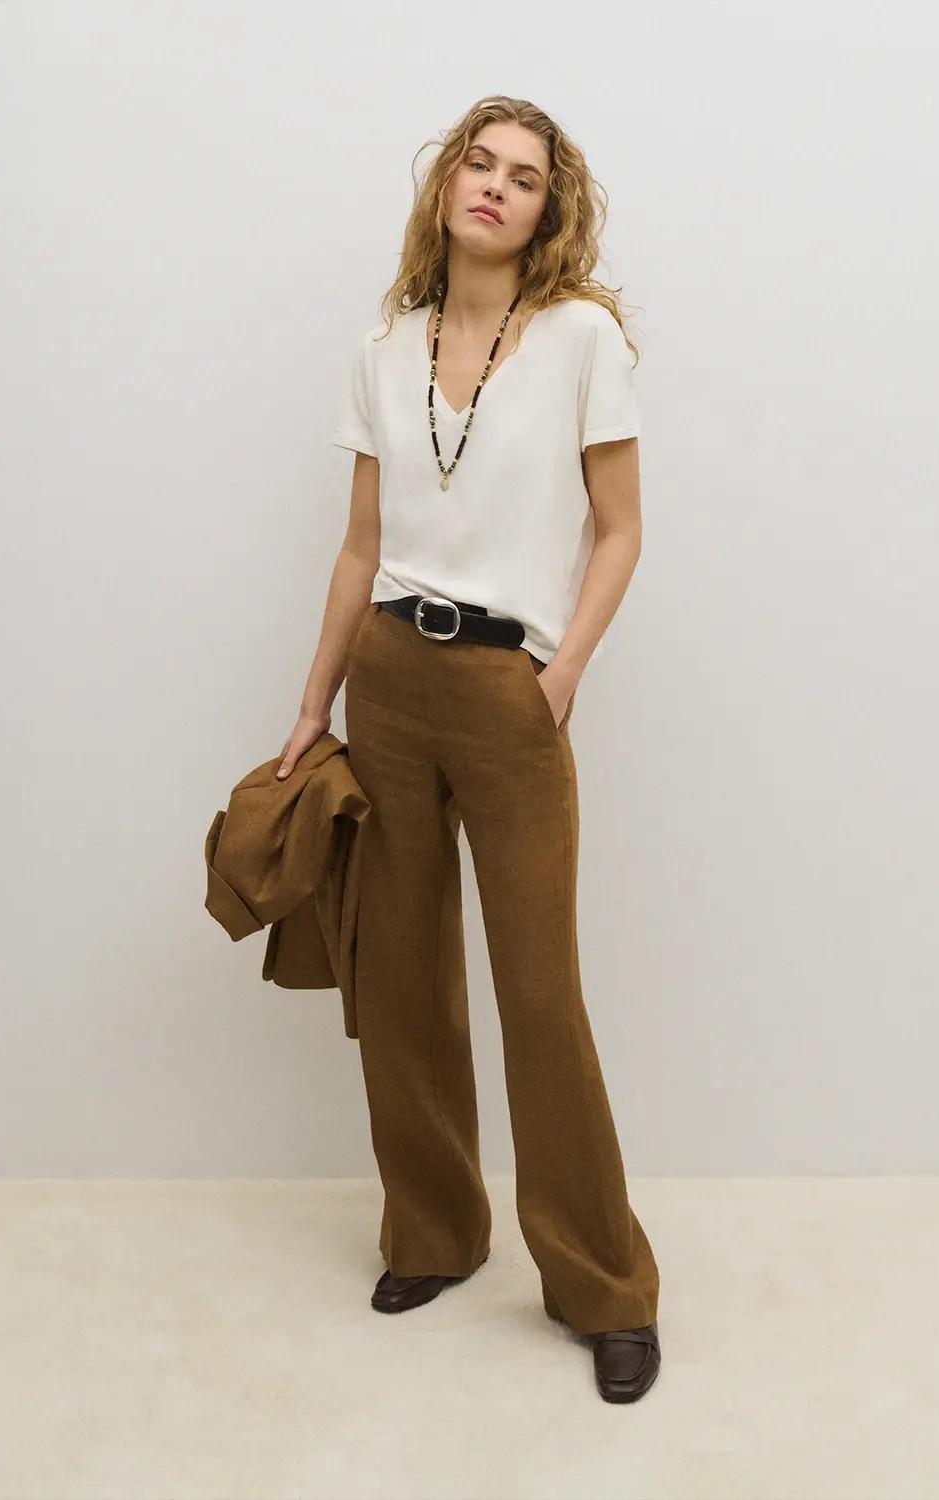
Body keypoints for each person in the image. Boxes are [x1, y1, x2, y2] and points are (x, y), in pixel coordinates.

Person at [276, 95, 661, 1404]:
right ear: (446, 183)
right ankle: (433, 1233)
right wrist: (315, 703)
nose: (495, 185)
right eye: (479, 163)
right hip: (389, 677)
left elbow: (620, 529)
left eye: (524, 176)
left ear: (549, 210)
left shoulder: (580, 338)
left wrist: (562, 674)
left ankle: (604, 1285)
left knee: (538, 989)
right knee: (401, 976)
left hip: (508, 688)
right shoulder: (385, 346)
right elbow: (360, 546)